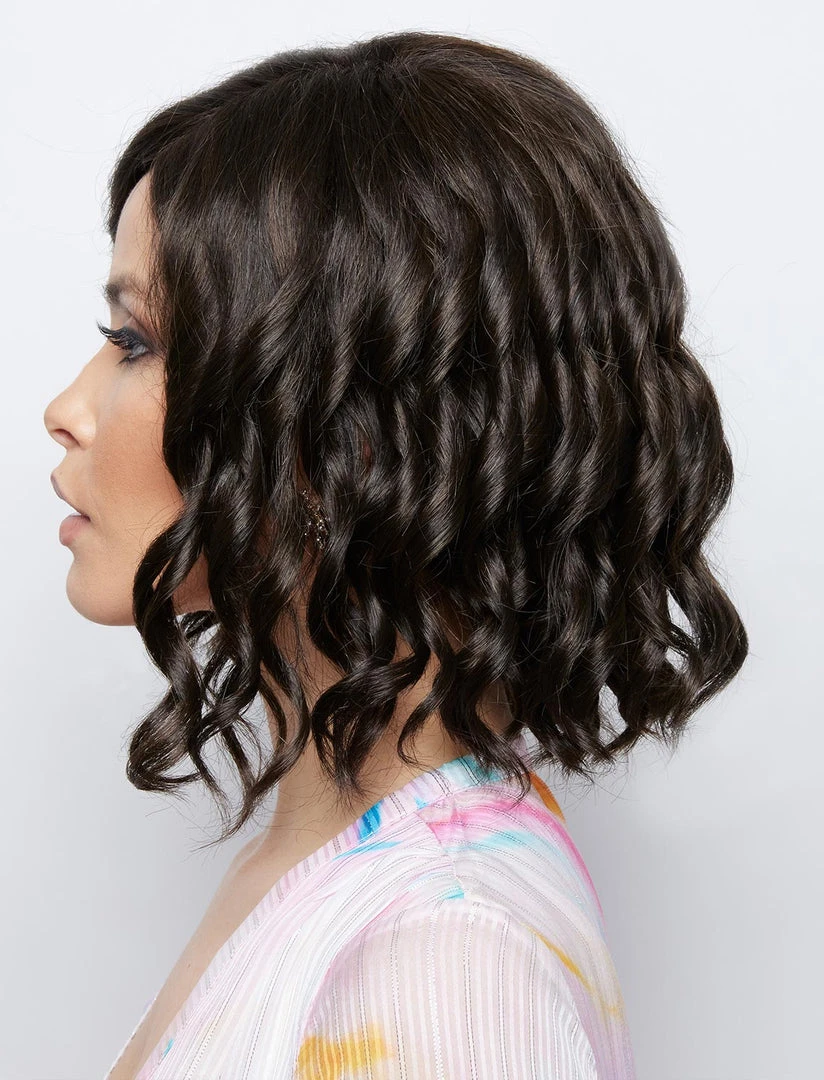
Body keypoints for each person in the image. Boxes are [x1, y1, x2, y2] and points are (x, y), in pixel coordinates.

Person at [43, 30, 748, 1080]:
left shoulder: (440, 959)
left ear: (352, 438)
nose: (67, 408)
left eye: (136, 342)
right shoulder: (339, 871)